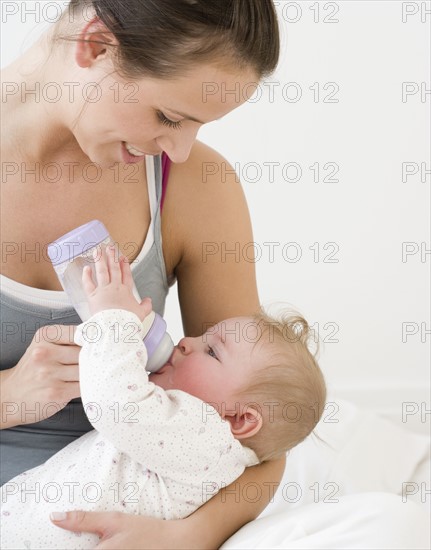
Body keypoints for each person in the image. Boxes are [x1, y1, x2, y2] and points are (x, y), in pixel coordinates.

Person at [1, 0, 286, 547]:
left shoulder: (195, 185)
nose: (179, 150)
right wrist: (10, 396)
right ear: (96, 45)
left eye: (198, 127)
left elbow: (265, 429)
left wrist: (184, 537)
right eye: (170, 118)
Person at [1, 245, 326, 549]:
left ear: (240, 419)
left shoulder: (206, 441)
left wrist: (113, 319)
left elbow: (115, 405)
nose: (186, 341)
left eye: (211, 351)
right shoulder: (188, 432)